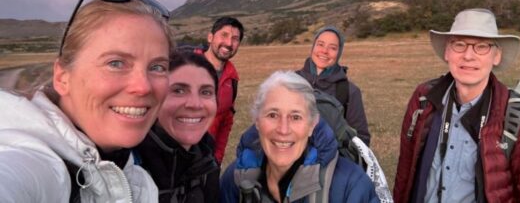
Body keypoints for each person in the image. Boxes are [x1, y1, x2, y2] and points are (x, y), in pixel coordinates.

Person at [0, 0, 174, 202]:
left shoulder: (139, 181)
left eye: (157, 67)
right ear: (63, 78)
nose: (143, 86)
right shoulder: (34, 163)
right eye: (116, 63)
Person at [393, 8, 520, 203]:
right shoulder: (423, 99)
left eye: (481, 46)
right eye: (459, 45)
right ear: (447, 51)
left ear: (496, 56)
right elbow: (405, 173)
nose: (468, 56)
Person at [220, 70, 380, 202]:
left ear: (312, 125)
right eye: (272, 115)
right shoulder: (235, 178)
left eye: (296, 117)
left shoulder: (350, 186)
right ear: (257, 121)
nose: (283, 129)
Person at [135, 49, 220, 203]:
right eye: (179, 90)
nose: (195, 104)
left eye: (206, 92)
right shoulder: (127, 168)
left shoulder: (208, 162)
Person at [296, 26, 371, 145]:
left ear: (339, 53)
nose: (324, 51)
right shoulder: (290, 82)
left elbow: (361, 139)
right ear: (313, 47)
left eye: (332, 48)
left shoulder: (349, 91)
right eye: (320, 44)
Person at [195, 16, 244, 164]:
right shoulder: (185, 67)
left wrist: (217, 159)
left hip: (207, 161)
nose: (229, 43)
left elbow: (225, 122)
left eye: (235, 39)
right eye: (224, 35)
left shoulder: (232, 79)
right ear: (210, 37)